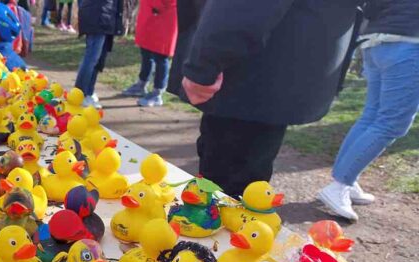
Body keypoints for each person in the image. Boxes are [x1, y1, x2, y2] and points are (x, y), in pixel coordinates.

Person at [170, 0, 363, 197]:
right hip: (277, 71)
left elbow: (245, 7)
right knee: (239, 179)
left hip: (252, 75)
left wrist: (203, 65)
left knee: (226, 188)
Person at [318, 0, 419, 221]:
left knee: (372, 116)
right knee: (391, 123)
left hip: (376, 42)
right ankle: (339, 186)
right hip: (410, 42)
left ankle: (346, 179)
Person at [121, 0, 177, 107]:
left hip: (164, 16)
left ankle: (157, 92)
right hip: (149, 13)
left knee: (161, 55)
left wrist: (156, 4)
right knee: (146, 51)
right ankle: (141, 84)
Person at [74, 0, 123, 109]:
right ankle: (80, 93)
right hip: (98, 15)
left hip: (105, 16)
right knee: (92, 57)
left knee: (98, 58)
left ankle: (89, 92)